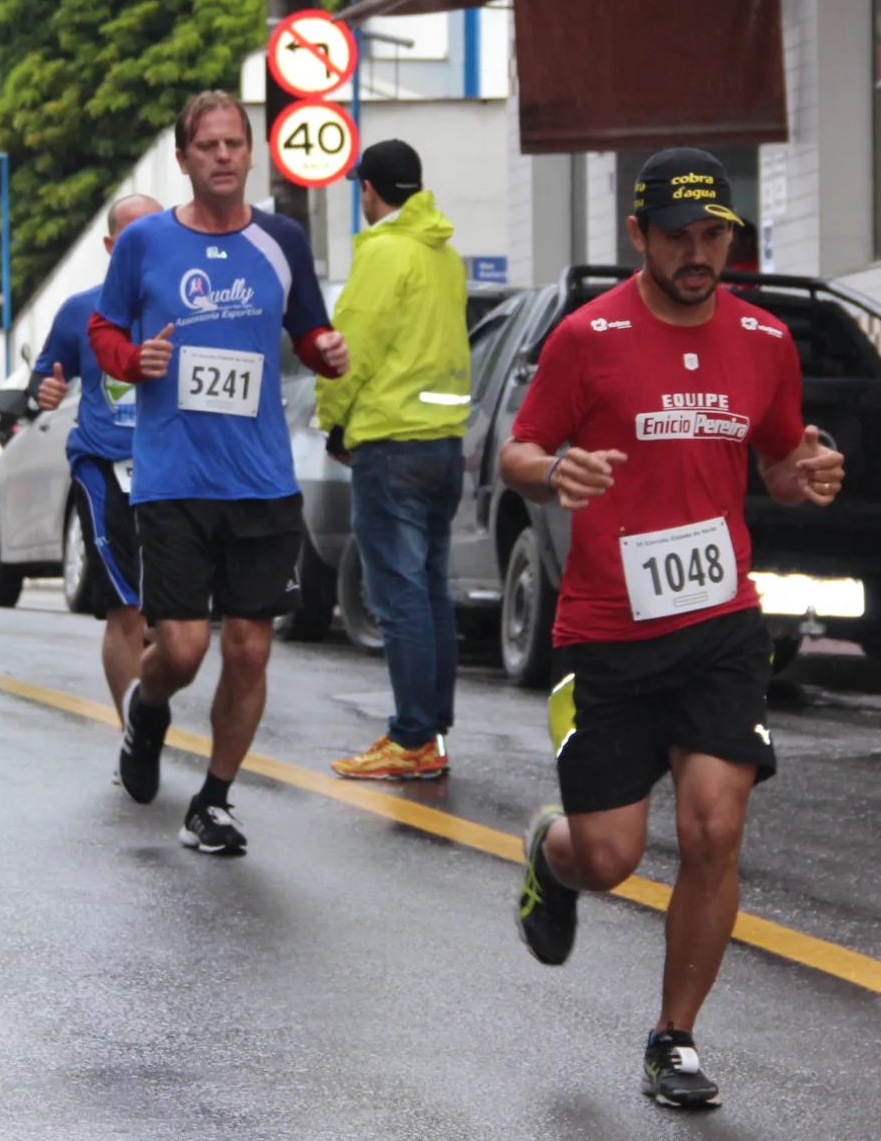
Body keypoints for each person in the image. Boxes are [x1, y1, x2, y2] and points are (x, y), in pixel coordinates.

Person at [501, 149, 846, 1111]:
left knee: (715, 826)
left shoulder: (767, 340)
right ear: (639, 237)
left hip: (721, 623)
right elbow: (516, 447)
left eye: (715, 236)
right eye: (679, 237)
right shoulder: (590, 337)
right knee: (609, 857)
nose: (699, 255)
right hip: (607, 630)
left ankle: (674, 1038)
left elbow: (777, 458)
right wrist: (551, 470)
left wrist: (805, 474)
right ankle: (550, 851)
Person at [90, 92, 348, 857]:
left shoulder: (282, 240)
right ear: (184, 159)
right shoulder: (145, 244)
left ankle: (214, 799)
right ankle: (146, 711)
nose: (225, 156)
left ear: (251, 153)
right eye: (209, 146)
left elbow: (309, 325)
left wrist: (326, 347)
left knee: (249, 647)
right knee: (181, 650)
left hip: (263, 478)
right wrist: (135, 361)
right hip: (174, 479)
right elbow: (104, 329)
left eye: (236, 143)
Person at [316, 140, 472, 781]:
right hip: (444, 443)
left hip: (391, 442)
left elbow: (350, 346)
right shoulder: (445, 256)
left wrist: (333, 420)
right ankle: (429, 731)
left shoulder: (383, 252)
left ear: (370, 191)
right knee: (429, 591)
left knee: (399, 595)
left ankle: (411, 736)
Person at [29, 193, 163, 717]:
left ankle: (152, 706)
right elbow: (45, 374)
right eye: (133, 238)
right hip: (105, 469)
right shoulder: (80, 310)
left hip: (175, 469)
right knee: (125, 609)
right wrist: (44, 390)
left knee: (171, 617)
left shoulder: (186, 305)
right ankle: (135, 729)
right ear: (111, 246)